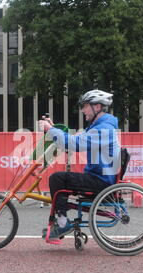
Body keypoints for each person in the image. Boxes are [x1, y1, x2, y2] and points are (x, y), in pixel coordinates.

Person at [38, 89, 121, 239]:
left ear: (97, 107)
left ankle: (62, 224)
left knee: (57, 179)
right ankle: (61, 221)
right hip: (99, 177)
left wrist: (50, 130)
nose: (83, 110)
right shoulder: (100, 126)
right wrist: (54, 128)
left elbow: (73, 143)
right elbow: (74, 138)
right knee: (62, 179)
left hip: (101, 181)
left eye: (85, 106)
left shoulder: (103, 129)